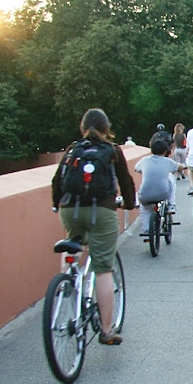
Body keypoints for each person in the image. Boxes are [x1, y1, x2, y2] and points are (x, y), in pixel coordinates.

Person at [51, 108, 136, 345]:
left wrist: (57, 205)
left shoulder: (73, 149)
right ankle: (107, 331)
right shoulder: (112, 150)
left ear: (82, 127)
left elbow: (57, 180)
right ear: (107, 129)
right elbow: (125, 182)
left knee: (73, 239)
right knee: (103, 269)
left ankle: (68, 283)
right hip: (102, 211)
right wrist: (129, 203)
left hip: (71, 209)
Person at [134, 135, 185, 234]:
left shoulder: (144, 160)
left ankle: (146, 230)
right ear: (165, 151)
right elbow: (178, 166)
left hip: (145, 195)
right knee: (171, 178)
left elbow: (136, 168)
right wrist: (184, 167)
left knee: (145, 208)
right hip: (163, 193)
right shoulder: (167, 161)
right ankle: (171, 205)